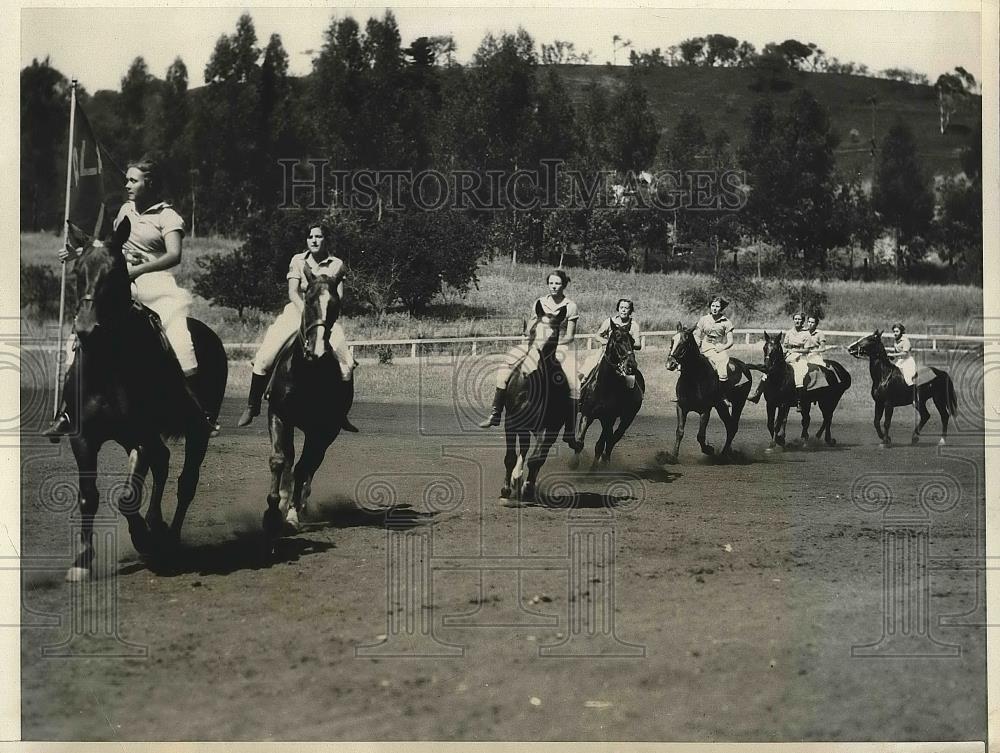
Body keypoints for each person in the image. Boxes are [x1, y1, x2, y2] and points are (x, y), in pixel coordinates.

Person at [44, 155, 218, 438]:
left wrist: (137, 270)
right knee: (79, 335)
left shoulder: (168, 216)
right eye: (127, 179)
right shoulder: (125, 210)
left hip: (157, 285)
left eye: (133, 180)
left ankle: (199, 412)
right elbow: (110, 248)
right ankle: (67, 411)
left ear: (148, 183)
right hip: (120, 284)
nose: (127, 185)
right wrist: (77, 252)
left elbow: (174, 255)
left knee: (180, 340)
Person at [236, 222, 358, 430]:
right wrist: (306, 312)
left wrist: (323, 315)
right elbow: (293, 292)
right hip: (297, 313)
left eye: (318, 236)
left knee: (346, 363)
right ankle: (252, 404)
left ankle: (341, 413)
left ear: (326, 239)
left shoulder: (337, 264)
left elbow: (338, 296)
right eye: (310, 237)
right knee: (265, 357)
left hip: (325, 317)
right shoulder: (298, 260)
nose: (314, 240)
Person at [479, 269, 583, 450]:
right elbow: (531, 326)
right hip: (535, 343)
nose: (554, 286)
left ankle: (570, 431)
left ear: (564, 284)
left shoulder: (570, 305)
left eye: (557, 283)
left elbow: (570, 335)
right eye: (551, 283)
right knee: (505, 368)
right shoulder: (539, 303)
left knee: (575, 384)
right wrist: (534, 337)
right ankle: (496, 413)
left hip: (560, 347)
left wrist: (551, 342)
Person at [748, 312, 810, 403]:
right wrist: (784, 353)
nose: (797, 321)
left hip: (801, 357)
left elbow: (807, 350)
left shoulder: (806, 334)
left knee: (799, 375)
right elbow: (784, 346)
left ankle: (799, 400)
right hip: (789, 355)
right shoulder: (789, 332)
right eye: (795, 319)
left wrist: (795, 351)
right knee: (768, 371)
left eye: (799, 319)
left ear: (803, 321)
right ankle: (757, 394)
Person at [580, 298, 641, 386]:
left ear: (630, 310)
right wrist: (607, 342)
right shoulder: (609, 321)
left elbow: (638, 345)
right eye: (621, 307)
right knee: (590, 365)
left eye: (626, 308)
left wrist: (626, 343)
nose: (623, 310)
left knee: (631, 379)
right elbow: (597, 336)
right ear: (618, 309)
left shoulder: (634, 325)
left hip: (625, 355)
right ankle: (583, 388)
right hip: (606, 352)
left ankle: (637, 395)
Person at [693, 296, 734, 382]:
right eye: (713, 306)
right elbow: (697, 334)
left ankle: (722, 391)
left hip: (717, 348)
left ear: (721, 308)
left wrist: (722, 348)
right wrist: (697, 342)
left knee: (722, 362)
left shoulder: (726, 322)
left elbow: (730, 341)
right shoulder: (704, 319)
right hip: (703, 346)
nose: (714, 309)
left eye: (717, 306)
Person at [887, 322, 917, 386]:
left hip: (908, 361)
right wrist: (890, 357)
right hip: (900, 362)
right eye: (894, 331)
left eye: (897, 331)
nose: (895, 333)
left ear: (901, 332)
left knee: (907, 379)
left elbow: (904, 353)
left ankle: (913, 393)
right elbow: (896, 354)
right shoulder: (896, 341)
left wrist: (893, 355)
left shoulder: (905, 341)